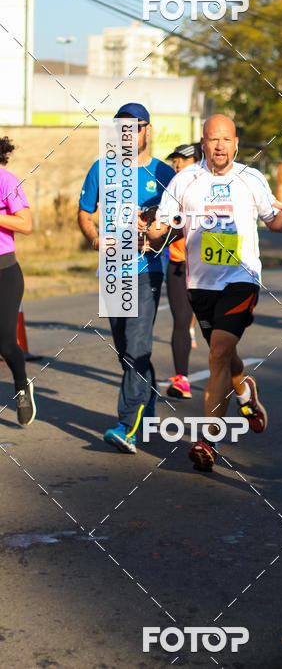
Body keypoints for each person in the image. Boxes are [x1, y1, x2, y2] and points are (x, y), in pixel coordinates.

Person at [149, 114, 282, 472]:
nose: (219, 145)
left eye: (225, 139)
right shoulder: (184, 179)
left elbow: (275, 223)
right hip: (200, 283)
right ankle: (245, 390)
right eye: (212, 139)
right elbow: (163, 225)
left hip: (241, 278)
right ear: (203, 143)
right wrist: (151, 229)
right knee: (223, 352)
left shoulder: (252, 179)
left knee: (218, 353)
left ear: (236, 143)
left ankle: (208, 439)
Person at [78, 103, 175, 453]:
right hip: (113, 270)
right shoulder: (101, 169)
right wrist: (94, 237)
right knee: (125, 352)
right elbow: (85, 213)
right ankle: (145, 406)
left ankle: (127, 426)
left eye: (134, 128)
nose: (127, 135)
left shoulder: (164, 174)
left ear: (147, 130)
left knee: (137, 347)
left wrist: (153, 231)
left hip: (147, 269)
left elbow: (177, 226)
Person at [0, 137, 35, 426]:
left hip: (5, 273)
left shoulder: (6, 181)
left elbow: (25, 224)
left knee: (5, 343)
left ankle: (21, 384)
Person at [164, 144, 198, 399]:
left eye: (182, 160)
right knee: (181, 321)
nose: (177, 164)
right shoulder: (171, 189)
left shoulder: (206, 188)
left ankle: (235, 379)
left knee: (218, 331)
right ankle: (182, 378)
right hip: (178, 263)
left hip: (208, 267)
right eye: (175, 160)